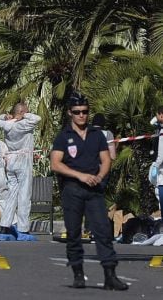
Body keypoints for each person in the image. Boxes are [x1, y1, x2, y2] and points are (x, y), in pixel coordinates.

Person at [49, 93, 127, 290]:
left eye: (85, 111)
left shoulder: (96, 135)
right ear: (70, 113)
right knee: (74, 233)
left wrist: (100, 176)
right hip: (72, 189)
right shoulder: (63, 137)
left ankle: (110, 275)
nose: (82, 115)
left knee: (102, 231)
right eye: (77, 112)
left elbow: (107, 159)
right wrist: (79, 175)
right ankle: (78, 273)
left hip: (94, 191)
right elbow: (56, 164)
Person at [0, 103, 41, 241]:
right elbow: (37, 118)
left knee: (11, 195)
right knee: (24, 196)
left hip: (10, 160)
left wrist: (6, 116)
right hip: (23, 159)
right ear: (21, 112)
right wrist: (23, 115)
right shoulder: (22, 125)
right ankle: (23, 229)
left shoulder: (6, 125)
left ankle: (5, 227)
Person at [150, 107, 163, 219]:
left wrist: (156, 165)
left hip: (160, 166)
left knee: (160, 192)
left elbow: (161, 154)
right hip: (159, 164)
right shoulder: (159, 128)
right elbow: (152, 122)